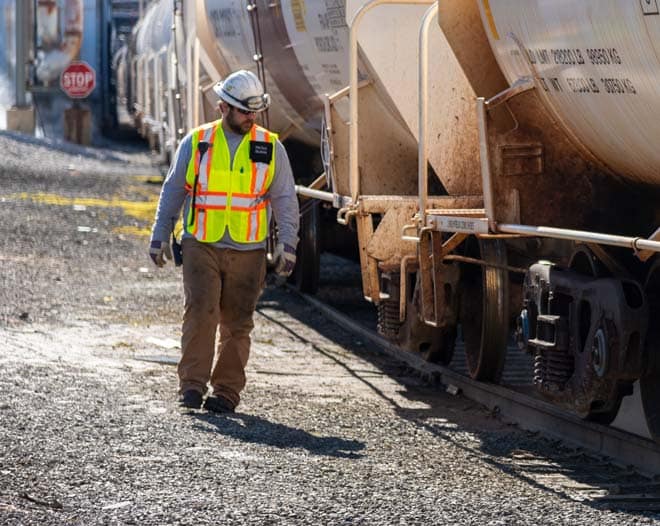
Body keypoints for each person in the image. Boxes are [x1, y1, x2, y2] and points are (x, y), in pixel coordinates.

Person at [148, 70, 299, 413]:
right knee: (201, 313)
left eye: (255, 112)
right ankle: (191, 387)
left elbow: (285, 199)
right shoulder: (198, 143)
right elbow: (174, 190)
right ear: (223, 108)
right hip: (202, 243)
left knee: (237, 323)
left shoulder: (269, 146)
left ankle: (226, 393)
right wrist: (159, 236)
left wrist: (288, 244)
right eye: (245, 111)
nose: (251, 118)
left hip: (249, 249)